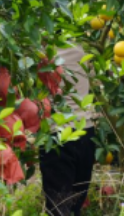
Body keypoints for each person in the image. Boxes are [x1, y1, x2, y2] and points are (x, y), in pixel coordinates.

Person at [39, 44, 97, 216]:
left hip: (59, 136)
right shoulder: (84, 46)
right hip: (83, 133)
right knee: (72, 207)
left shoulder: (39, 49)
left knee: (59, 208)